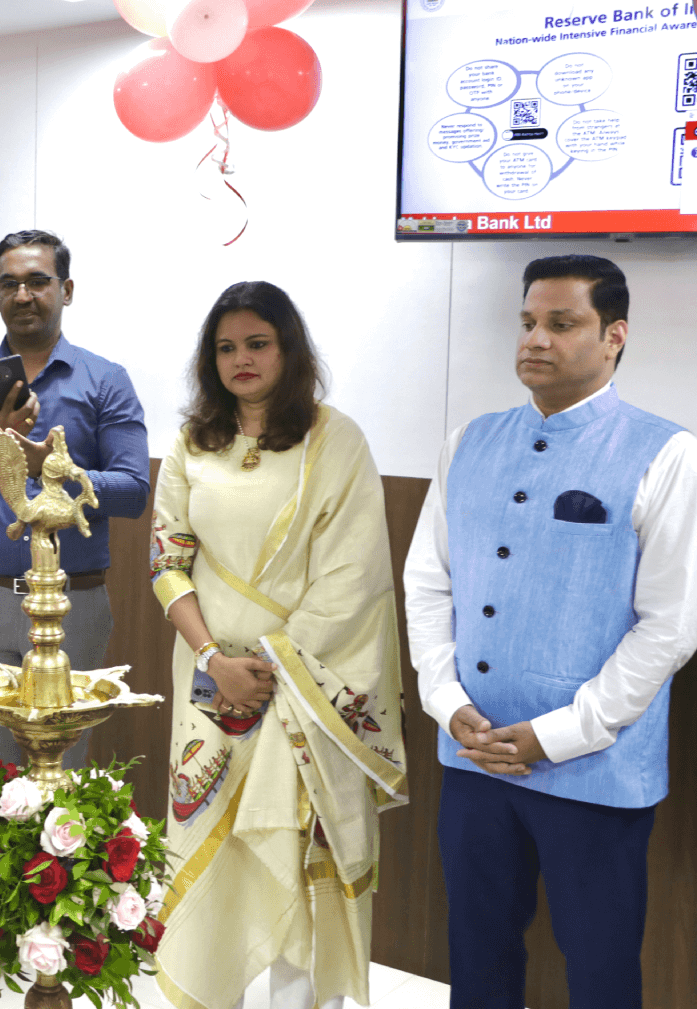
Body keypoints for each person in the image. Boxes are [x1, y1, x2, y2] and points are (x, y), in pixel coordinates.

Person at [404, 254, 697, 1008]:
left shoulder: (667, 452)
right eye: (529, 321)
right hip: (473, 759)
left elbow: (669, 627)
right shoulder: (468, 440)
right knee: (477, 957)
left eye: (561, 323)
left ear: (614, 336)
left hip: (595, 772)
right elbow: (429, 580)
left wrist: (560, 733)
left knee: (600, 972)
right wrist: (444, 697)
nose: (536, 338)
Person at [148, 282, 407, 1009]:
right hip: (209, 688)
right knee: (216, 847)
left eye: (257, 343)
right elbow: (167, 560)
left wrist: (269, 673)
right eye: (225, 348)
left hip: (307, 690)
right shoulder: (190, 444)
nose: (241, 359)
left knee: (294, 854)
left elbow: (353, 579)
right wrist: (215, 663)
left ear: (288, 349)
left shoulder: (336, 439)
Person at [0, 229, 148, 770]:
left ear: (66, 290)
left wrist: (53, 466)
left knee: (61, 774)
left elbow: (134, 493)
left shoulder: (105, 381)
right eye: (9, 283)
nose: (23, 295)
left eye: (38, 282)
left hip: (75, 604)